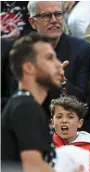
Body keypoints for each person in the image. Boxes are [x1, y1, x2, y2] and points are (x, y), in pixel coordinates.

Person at [27, 1, 90, 131]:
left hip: (76, 129)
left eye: (58, 14)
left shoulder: (84, 51)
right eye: (46, 15)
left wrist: (63, 84)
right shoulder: (24, 53)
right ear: (32, 22)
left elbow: (88, 103)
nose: (54, 20)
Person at [1, 33, 62, 171]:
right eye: (50, 58)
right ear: (29, 67)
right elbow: (34, 167)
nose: (58, 64)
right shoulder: (26, 107)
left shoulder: (22, 104)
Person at [50, 96, 90, 172]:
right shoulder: (46, 145)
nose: (64, 120)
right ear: (52, 122)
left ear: (79, 123)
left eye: (70, 117)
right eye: (59, 117)